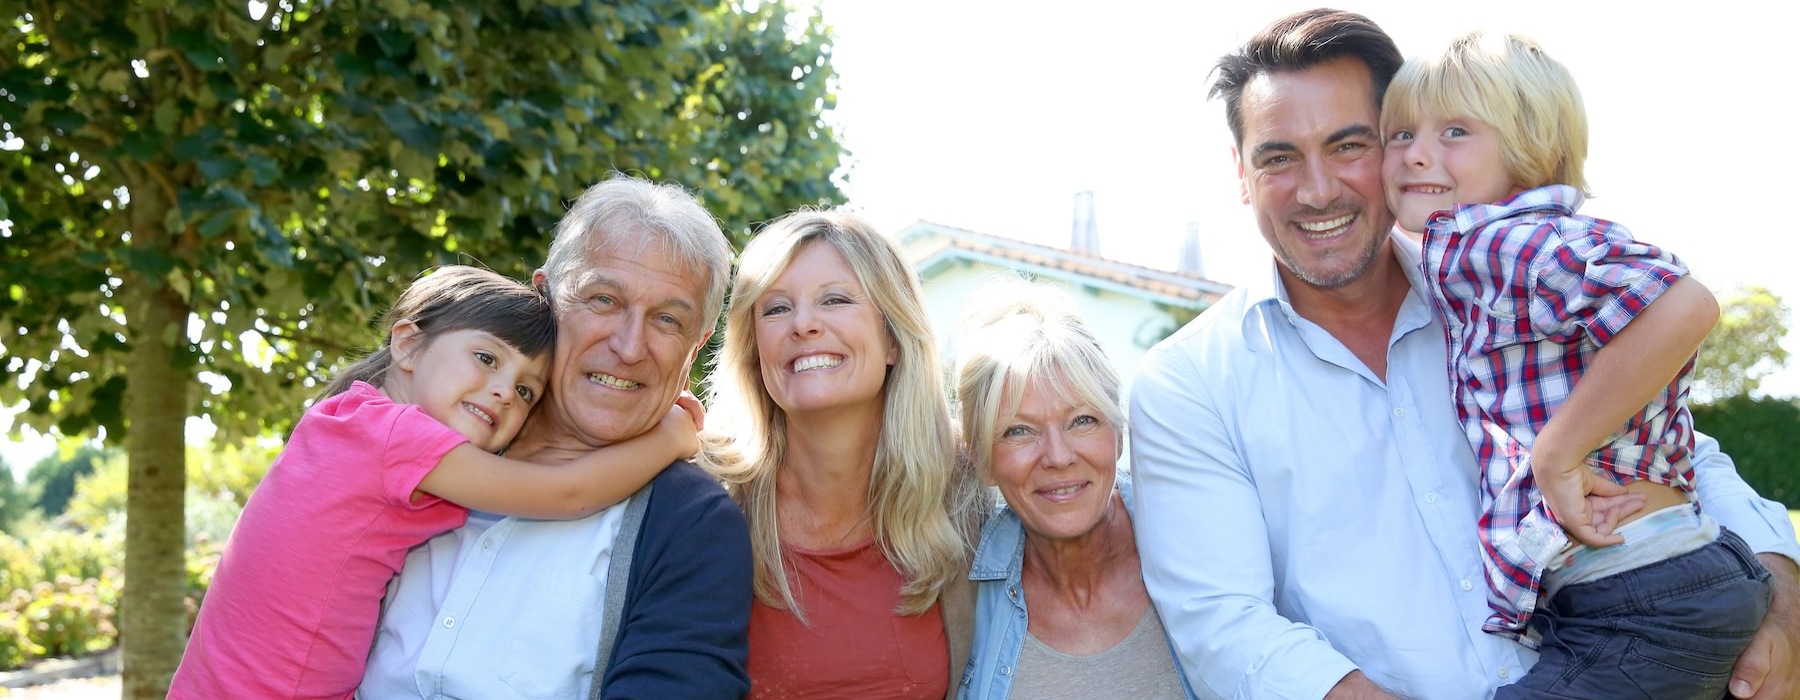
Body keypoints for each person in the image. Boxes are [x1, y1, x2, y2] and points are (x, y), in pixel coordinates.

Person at [1127, 8, 1800, 700]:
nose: (1318, 189)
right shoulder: (1188, 386)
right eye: (1278, 156)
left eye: (1350, 145)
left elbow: (1676, 442)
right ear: (1240, 172)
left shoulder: (1501, 287)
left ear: (1394, 150)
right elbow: (1228, 626)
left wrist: (1784, 606)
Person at [1379, 31, 1770, 697]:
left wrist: (1556, 455)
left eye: (1454, 132)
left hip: (1641, 592)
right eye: (1397, 134)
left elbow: (1685, 305)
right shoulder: (1504, 247)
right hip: (1651, 579)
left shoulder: (1506, 241)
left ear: (1530, 147)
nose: (1416, 154)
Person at [171, 265, 697, 699]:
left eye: (527, 392)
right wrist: (671, 437)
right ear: (407, 343)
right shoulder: (394, 436)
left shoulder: (348, 420)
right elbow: (567, 495)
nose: (502, 394)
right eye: (487, 358)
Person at [359, 176, 752, 699]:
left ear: (694, 349)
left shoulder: (690, 522)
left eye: (666, 320)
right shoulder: (422, 441)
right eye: (604, 299)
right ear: (544, 299)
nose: (630, 346)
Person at [699, 209, 983, 699]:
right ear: (753, 347)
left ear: (893, 337)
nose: (804, 325)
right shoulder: (701, 499)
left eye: (835, 300)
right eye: (776, 308)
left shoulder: (966, 489)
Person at [951, 281, 1194, 700]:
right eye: (1019, 430)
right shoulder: (957, 595)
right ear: (981, 460)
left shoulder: (1198, 552)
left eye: (1082, 420)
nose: (1058, 456)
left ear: (1119, 434)